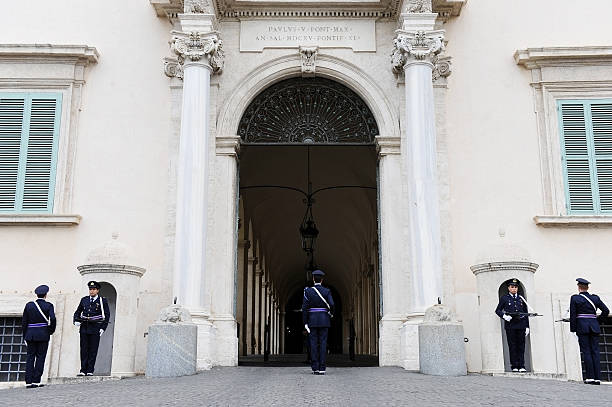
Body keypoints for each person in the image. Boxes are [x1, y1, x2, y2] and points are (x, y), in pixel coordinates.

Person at [570, 278, 609, 385]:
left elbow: (573, 315)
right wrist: (597, 321)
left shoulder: (575, 298)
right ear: (587, 287)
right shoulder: (595, 298)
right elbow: (606, 311)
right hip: (594, 326)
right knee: (595, 352)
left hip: (582, 327)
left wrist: (573, 329)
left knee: (586, 351)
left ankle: (590, 377)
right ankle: (597, 378)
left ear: (579, 287)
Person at [22, 285, 56, 388]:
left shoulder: (29, 305)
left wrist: (25, 336)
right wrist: (50, 330)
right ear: (46, 295)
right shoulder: (49, 305)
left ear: (37, 295)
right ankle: (36, 381)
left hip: (30, 335)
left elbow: (24, 322)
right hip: (43, 334)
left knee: (30, 357)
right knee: (41, 357)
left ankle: (28, 381)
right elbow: (53, 319)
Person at [73, 280, 110, 376]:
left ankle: (90, 370)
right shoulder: (84, 300)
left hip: (95, 327)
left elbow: (106, 315)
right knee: (84, 349)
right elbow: (77, 311)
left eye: (94, 289)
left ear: (97, 290)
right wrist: (76, 320)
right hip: (84, 327)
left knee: (93, 349)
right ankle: (83, 370)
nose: (91, 291)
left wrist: (103, 328)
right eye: (90, 289)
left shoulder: (102, 301)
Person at [302, 269, 334, 375]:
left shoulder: (308, 291)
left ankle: (315, 367)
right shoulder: (327, 291)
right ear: (322, 280)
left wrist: (305, 322)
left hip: (312, 320)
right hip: (324, 320)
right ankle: (322, 368)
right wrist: (330, 314)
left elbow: (305, 308)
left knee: (313, 344)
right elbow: (332, 304)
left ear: (313, 279)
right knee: (323, 343)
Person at [495, 278, 530, 372]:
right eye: (512, 287)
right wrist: (505, 316)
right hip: (510, 325)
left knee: (521, 346)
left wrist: (527, 326)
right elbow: (497, 310)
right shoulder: (505, 298)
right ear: (508, 288)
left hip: (521, 325)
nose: (514, 289)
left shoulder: (521, 298)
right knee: (512, 346)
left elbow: (526, 313)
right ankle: (514, 366)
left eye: (515, 287)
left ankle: (522, 366)